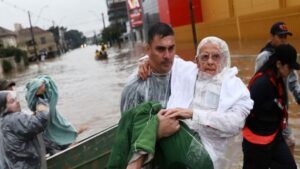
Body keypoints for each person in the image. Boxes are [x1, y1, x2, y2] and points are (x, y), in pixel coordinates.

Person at [123, 36, 253, 169]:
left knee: (152, 116)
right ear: (197, 60)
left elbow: (236, 123)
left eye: (215, 57)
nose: (210, 61)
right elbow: (167, 58)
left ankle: (134, 164)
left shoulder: (236, 87)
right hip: (181, 136)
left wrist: (192, 114)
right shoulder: (189, 71)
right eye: (204, 57)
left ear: (223, 59)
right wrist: (145, 61)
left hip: (208, 155)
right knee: (143, 112)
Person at [117, 22, 184, 168]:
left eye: (171, 48)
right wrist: (157, 132)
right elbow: (128, 137)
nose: (167, 56)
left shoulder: (185, 74)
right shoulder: (134, 87)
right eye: (160, 49)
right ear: (148, 49)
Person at [243, 44, 298, 169]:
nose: (291, 72)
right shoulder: (261, 84)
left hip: (274, 136)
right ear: (279, 64)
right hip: (257, 141)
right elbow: (245, 111)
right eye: (290, 67)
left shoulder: (278, 78)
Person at [255, 21, 298, 155]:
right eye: (280, 37)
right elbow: (258, 83)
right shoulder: (264, 57)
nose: (284, 40)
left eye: (286, 37)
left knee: (289, 142)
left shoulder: (287, 54)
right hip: (269, 113)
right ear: (271, 36)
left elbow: (293, 83)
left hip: (282, 111)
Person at [25, 75, 80, 155]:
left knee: (63, 128)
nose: (44, 86)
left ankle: (64, 144)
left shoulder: (45, 95)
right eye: (42, 85)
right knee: (53, 136)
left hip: (51, 119)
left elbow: (49, 81)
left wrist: (43, 81)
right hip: (47, 125)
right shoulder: (38, 103)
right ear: (37, 90)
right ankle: (60, 147)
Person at [0, 90, 49, 169]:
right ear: (3, 107)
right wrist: (41, 101)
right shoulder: (14, 119)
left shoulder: (3, 120)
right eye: (12, 101)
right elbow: (41, 120)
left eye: (16, 99)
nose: (18, 102)